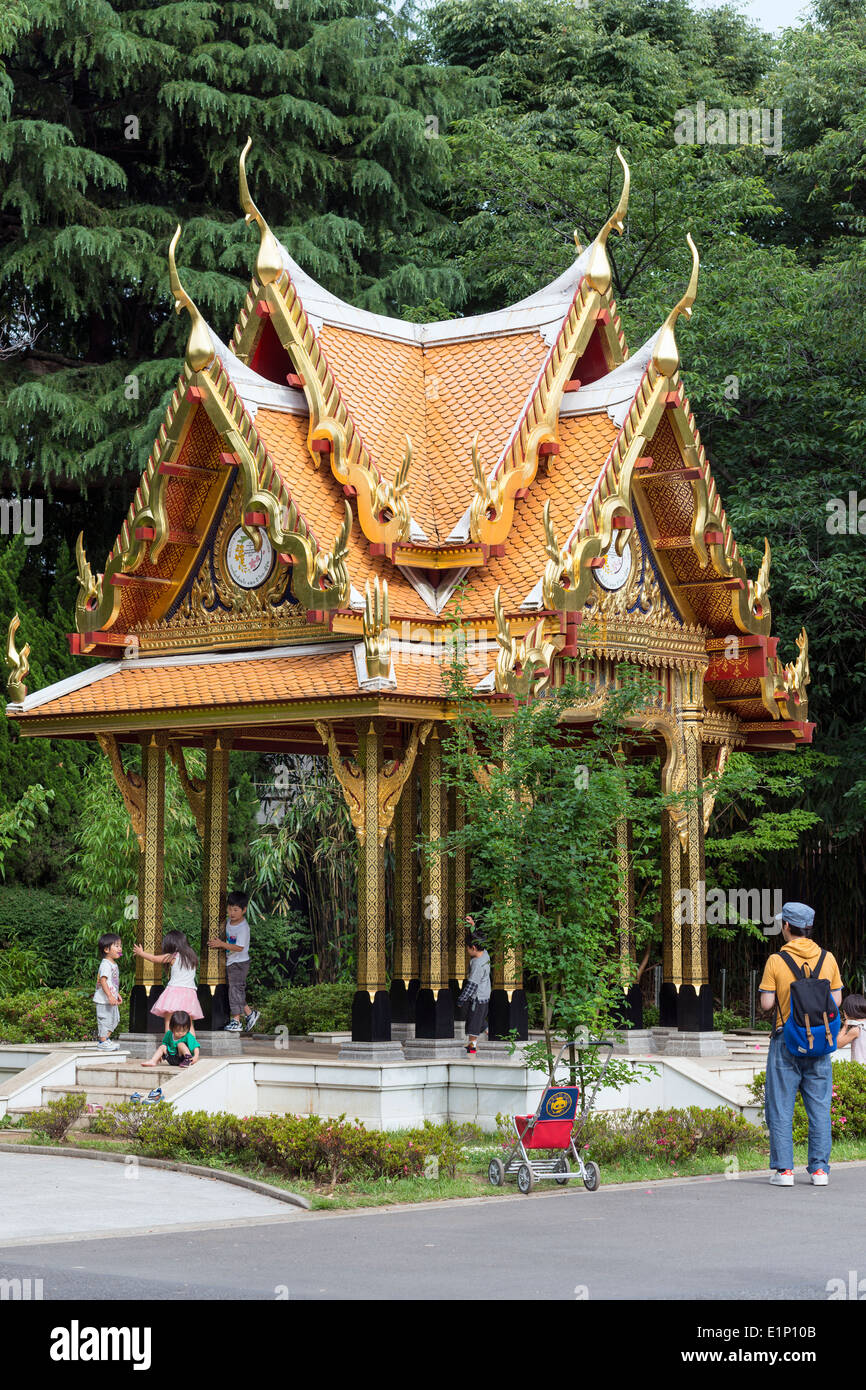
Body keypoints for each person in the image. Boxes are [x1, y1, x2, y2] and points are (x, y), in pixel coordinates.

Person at [759, 901, 842, 1187]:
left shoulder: (776, 961)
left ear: (786, 927)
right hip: (819, 1041)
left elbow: (767, 1003)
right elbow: (837, 1001)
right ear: (809, 927)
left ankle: (784, 1171)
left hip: (786, 1040)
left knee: (781, 1106)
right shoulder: (827, 959)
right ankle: (820, 1170)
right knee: (819, 1107)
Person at [208, 891, 259, 1033]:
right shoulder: (229, 922)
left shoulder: (243, 927)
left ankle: (236, 1021)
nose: (232, 912)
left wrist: (221, 944)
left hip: (239, 964)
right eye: (230, 909)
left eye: (236, 910)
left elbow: (239, 947)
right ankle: (250, 1014)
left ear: (244, 910)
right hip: (232, 962)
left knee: (235, 991)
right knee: (235, 991)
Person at [133, 931, 204, 1033]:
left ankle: (169, 1045)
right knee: (189, 1023)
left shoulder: (173, 956)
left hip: (174, 991)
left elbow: (154, 959)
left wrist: (141, 953)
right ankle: (194, 1047)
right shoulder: (192, 957)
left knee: (169, 1020)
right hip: (190, 992)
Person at [461, 935, 491, 1056]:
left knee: (473, 1022)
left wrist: (462, 999)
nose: (466, 950)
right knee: (480, 1020)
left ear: (473, 948)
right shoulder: (485, 954)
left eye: (467, 948)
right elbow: (480, 939)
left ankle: (472, 1047)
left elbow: (472, 985)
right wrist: (473, 927)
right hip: (485, 995)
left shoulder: (478, 964)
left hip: (478, 997)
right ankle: (493, 1034)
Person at [93, 933, 123, 1052]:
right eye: (116, 946)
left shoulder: (113, 964)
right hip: (103, 1000)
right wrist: (110, 996)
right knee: (105, 1019)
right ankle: (102, 1041)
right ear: (106, 949)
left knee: (115, 1019)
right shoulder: (105, 964)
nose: (120, 949)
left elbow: (111, 983)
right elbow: (103, 980)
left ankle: (106, 1039)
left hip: (110, 998)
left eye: (120, 946)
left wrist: (116, 994)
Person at [837, 993, 866, 1063]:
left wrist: (845, 1026)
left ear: (846, 1013)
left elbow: (838, 1044)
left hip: (861, 1069)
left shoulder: (857, 1029)